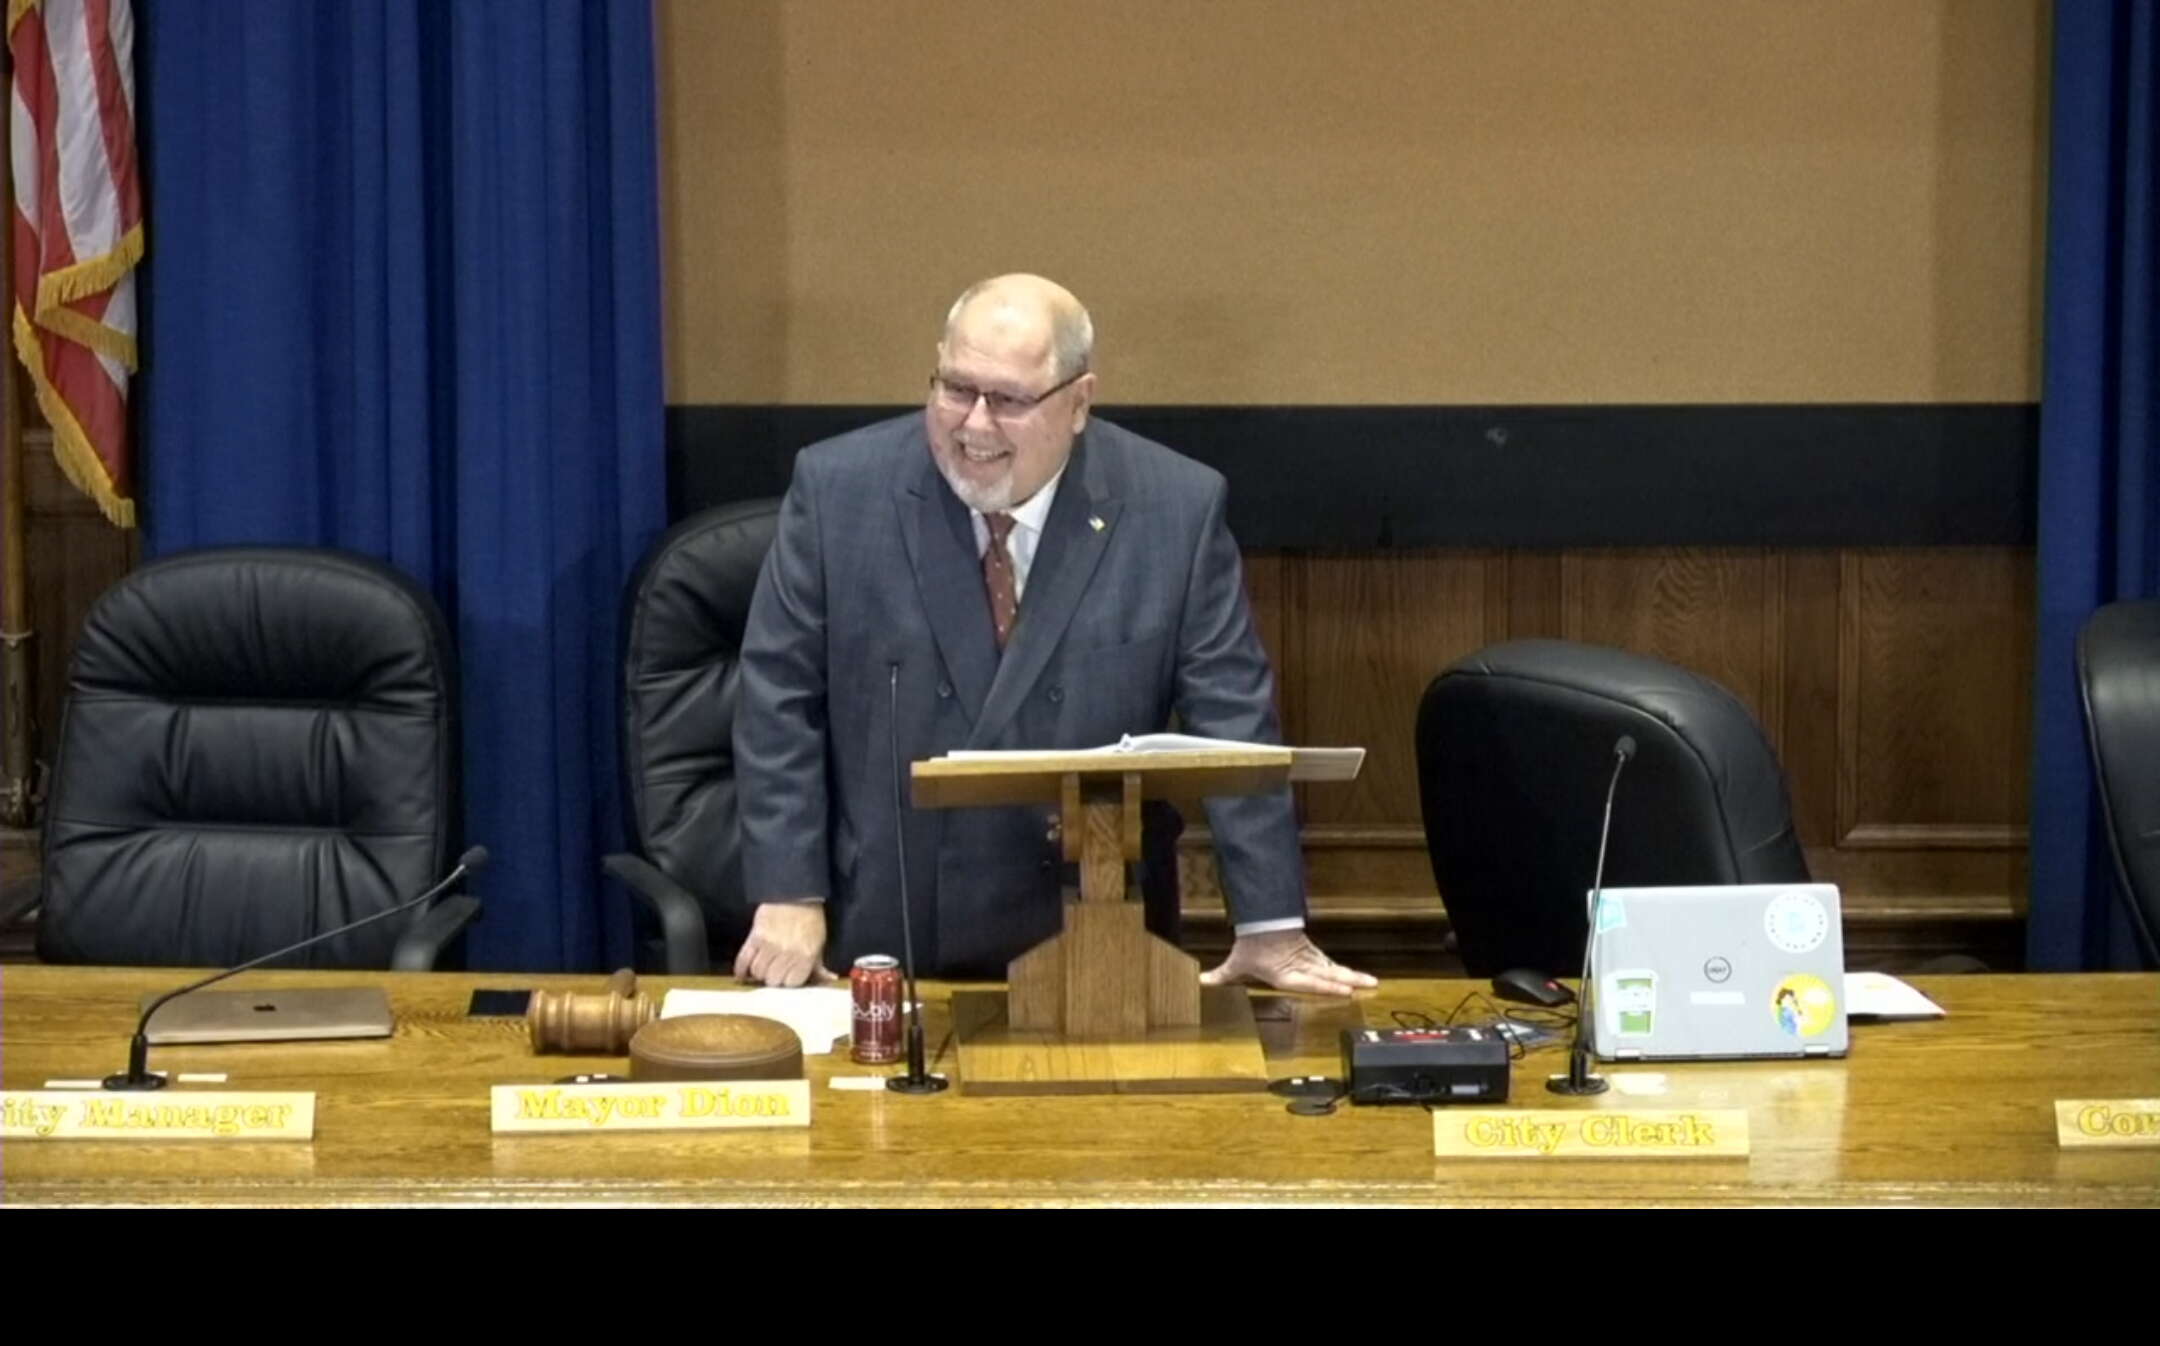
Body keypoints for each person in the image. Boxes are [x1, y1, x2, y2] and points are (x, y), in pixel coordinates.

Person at [731, 273, 1375, 998]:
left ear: (1078, 402)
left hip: (1098, 940)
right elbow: (777, 699)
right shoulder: (837, 490)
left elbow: (1233, 721)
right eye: (954, 389)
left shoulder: (1175, 508)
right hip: (891, 932)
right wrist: (788, 889)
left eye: (1007, 401)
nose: (973, 425)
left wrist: (1268, 923)